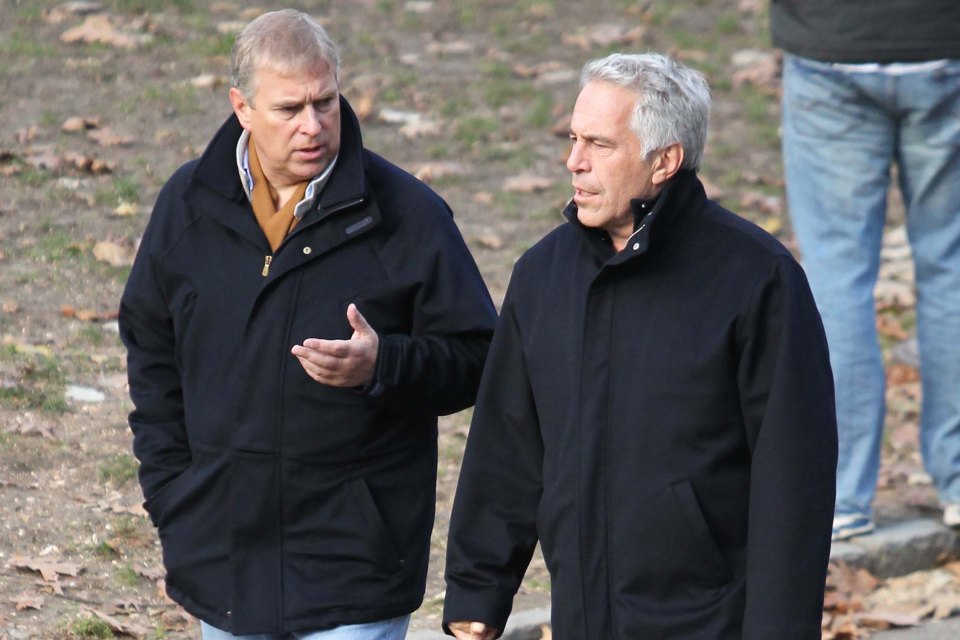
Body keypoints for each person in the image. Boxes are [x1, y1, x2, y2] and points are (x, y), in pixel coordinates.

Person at [118, 9, 497, 639]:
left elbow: (481, 359)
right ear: (242, 108)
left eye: (325, 102)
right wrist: (172, 496)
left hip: (354, 571)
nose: (314, 125)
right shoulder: (187, 205)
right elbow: (150, 350)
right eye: (289, 108)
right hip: (226, 562)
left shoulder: (410, 216)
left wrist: (384, 365)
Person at [441, 53, 838, 640]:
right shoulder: (542, 275)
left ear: (664, 162)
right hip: (584, 616)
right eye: (574, 139)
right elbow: (507, 444)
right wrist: (478, 590)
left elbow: (793, 478)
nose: (573, 162)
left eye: (599, 145)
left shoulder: (758, 279)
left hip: (712, 621)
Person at [771, 1, 960, 540]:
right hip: (946, 39)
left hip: (832, 40)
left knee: (836, 278)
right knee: (952, 267)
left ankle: (841, 494)